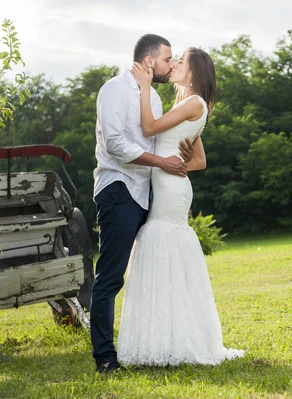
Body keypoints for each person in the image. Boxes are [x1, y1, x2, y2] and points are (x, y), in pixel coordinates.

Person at [116, 47, 244, 367]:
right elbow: (199, 160)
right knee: (163, 250)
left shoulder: (193, 102)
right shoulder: (187, 104)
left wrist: (145, 85)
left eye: (181, 61)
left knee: (162, 246)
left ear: (194, 72)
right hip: (170, 184)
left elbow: (149, 128)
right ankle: (167, 336)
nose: (173, 65)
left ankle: (172, 340)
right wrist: (180, 156)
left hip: (171, 190)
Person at [91, 34, 195, 373]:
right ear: (150, 61)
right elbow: (115, 144)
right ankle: (105, 358)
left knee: (151, 271)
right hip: (118, 189)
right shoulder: (114, 90)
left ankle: (158, 344)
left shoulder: (155, 100)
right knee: (110, 277)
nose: (171, 64)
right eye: (168, 59)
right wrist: (161, 163)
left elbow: (162, 144)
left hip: (146, 193)